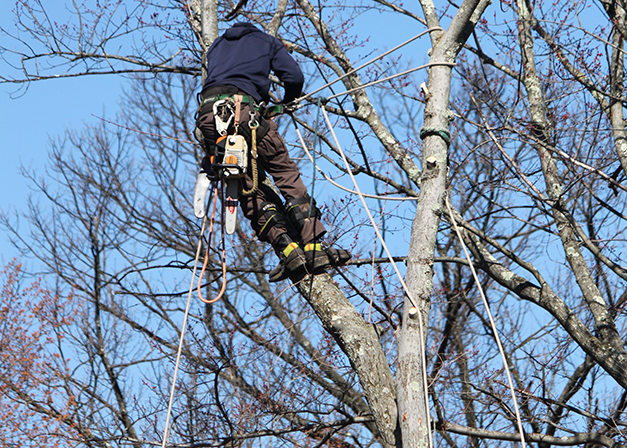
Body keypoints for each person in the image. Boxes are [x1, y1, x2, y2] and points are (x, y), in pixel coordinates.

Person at [194, 22, 350, 282]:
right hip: (246, 111)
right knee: (284, 171)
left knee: (244, 183)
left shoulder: (216, 45)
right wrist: (288, 101)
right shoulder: (266, 41)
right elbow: (294, 77)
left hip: (209, 116)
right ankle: (312, 247)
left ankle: (287, 250)